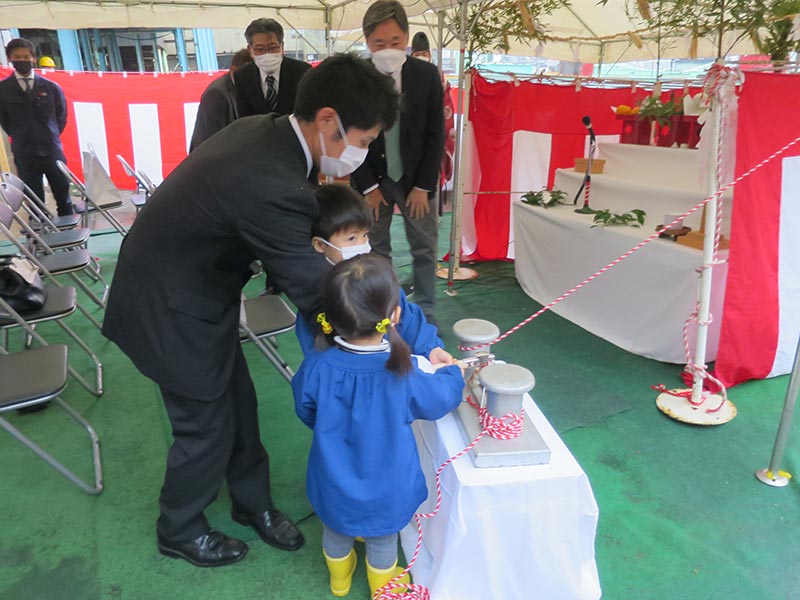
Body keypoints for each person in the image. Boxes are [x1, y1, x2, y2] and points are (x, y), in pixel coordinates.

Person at [101, 53, 400, 569]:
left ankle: (251, 504)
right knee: (205, 424)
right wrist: (391, 330)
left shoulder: (269, 134)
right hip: (168, 304)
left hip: (199, 291)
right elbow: (314, 288)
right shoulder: (273, 181)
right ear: (328, 121)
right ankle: (179, 526)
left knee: (238, 402)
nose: (363, 153)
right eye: (365, 141)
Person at [292, 253, 464, 597]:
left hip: (332, 480)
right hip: (387, 487)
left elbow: (305, 408)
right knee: (383, 539)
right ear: (395, 315)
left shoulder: (317, 365)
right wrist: (453, 374)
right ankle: (381, 585)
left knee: (335, 530)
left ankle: (339, 580)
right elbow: (439, 400)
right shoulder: (401, 372)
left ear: (331, 316)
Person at [351, 1, 445, 325]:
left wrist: (423, 186)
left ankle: (427, 319)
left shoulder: (427, 75)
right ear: (367, 42)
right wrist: (369, 187)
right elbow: (348, 137)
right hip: (373, 180)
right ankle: (385, 316)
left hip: (415, 179)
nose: (388, 50)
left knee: (424, 249)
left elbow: (436, 134)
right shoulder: (357, 77)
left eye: (395, 42)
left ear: (406, 37)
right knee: (376, 252)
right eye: (379, 44)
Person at [295, 183, 453, 370]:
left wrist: (430, 348)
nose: (362, 244)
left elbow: (408, 318)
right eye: (352, 238)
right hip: (356, 379)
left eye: (365, 235)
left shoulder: (378, 276)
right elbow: (320, 359)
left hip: (386, 370)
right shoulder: (318, 297)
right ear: (320, 245)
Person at [0, 38, 75, 216]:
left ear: (33, 58)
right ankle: (42, 240)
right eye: (17, 56)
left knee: (64, 199)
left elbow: (61, 117)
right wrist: (22, 135)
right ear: (10, 58)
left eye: (26, 56)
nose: (22, 60)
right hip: (24, 153)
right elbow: (4, 121)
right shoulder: (3, 90)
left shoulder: (50, 87)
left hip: (52, 150)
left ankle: (70, 238)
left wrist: (49, 134)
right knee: (35, 204)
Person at [234, 18, 311, 119]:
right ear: (250, 50)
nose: (267, 54)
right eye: (260, 49)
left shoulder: (302, 71)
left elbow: (308, 114)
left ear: (282, 46)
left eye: (272, 48)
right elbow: (244, 119)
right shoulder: (242, 76)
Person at [410, 32, 456, 192]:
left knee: (429, 187)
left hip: (431, 134)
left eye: (424, 54)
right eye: (417, 54)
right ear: (411, 55)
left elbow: (447, 108)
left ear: (430, 55)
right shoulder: (404, 75)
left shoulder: (439, 77)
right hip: (410, 136)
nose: (421, 57)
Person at [189, 48, 253, 152]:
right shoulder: (216, 94)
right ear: (233, 70)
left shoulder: (243, 89)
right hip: (209, 159)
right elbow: (216, 138)